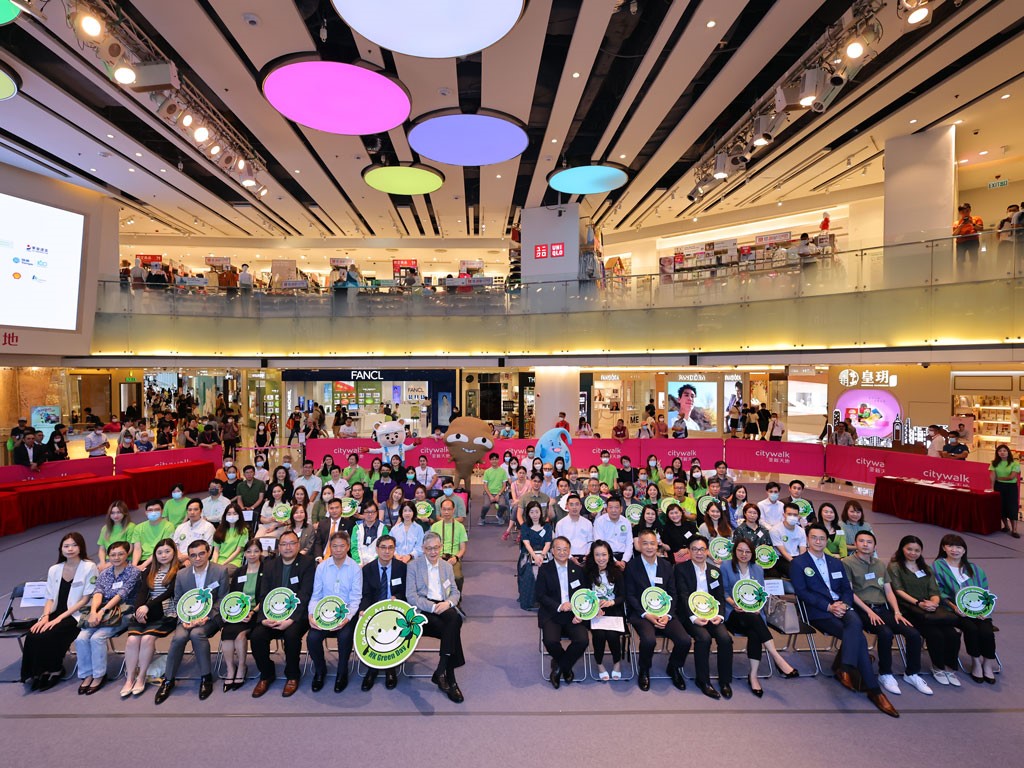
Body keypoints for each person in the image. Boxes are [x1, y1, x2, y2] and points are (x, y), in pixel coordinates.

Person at [790, 524, 899, 717]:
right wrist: (829, 607)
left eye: (822, 538)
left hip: (842, 606)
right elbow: (802, 592)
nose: (818, 541)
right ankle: (874, 691)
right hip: (820, 612)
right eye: (814, 538)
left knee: (855, 623)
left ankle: (846, 667)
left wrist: (844, 604)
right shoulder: (798, 563)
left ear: (826, 541)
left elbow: (846, 589)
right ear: (807, 539)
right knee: (859, 638)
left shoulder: (835, 562)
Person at [842, 530, 932, 696]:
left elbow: (888, 591)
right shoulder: (847, 563)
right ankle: (885, 674)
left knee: (913, 634)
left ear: (875, 546)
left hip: (883, 609)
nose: (865, 544)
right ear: (855, 544)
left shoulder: (880, 564)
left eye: (869, 542)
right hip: (863, 609)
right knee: (885, 633)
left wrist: (897, 612)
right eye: (861, 541)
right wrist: (869, 611)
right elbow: (849, 592)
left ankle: (912, 673)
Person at [720, 539, 799, 696]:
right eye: (740, 550)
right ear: (734, 551)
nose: (744, 554)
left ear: (752, 553)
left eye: (747, 551)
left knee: (755, 630)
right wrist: (734, 604)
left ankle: (753, 675)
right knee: (754, 621)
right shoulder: (726, 566)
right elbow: (724, 591)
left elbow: (761, 593)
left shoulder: (757, 569)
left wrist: (757, 607)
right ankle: (776, 657)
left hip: (753, 615)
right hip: (733, 613)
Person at [21, 533, 98, 691]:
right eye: (66, 546)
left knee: (51, 634)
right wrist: (45, 617)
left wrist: (58, 619)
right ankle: (38, 673)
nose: (70, 549)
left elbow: (85, 599)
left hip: (76, 614)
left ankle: (55, 669)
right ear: (61, 549)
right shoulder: (54, 569)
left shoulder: (89, 567)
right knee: (33, 634)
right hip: (55, 612)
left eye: (74, 545)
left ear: (81, 547)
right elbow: (49, 598)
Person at [154, 540, 228, 704]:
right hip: (187, 618)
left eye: (201, 554)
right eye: (193, 555)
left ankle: (206, 678)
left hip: (211, 617)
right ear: (189, 556)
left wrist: (207, 617)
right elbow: (179, 600)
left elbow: (222, 599)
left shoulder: (220, 571)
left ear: (208, 553)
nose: (198, 558)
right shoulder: (182, 574)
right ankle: (168, 680)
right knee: (178, 638)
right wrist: (184, 619)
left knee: (197, 634)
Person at [886, 535, 963, 687]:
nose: (913, 553)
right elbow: (898, 590)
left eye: (917, 550)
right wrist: (918, 603)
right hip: (909, 609)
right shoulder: (895, 567)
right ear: (902, 549)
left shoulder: (925, 568)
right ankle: (938, 667)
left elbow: (934, 590)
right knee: (935, 634)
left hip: (930, 609)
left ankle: (949, 668)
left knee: (953, 634)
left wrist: (934, 602)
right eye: (909, 549)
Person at [250, 531, 315, 698]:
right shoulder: (270, 565)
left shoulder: (307, 563)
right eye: (284, 544)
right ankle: (266, 674)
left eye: (292, 543)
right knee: (257, 636)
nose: (288, 547)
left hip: (297, 616)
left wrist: (291, 619)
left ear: (298, 545)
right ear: (279, 547)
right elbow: (264, 594)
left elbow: (305, 594)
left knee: (291, 636)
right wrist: (264, 619)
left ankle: (292, 675)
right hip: (272, 614)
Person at [625, 529, 692, 691]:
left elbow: (673, 593)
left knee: (684, 640)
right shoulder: (632, 566)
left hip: (665, 612)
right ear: (639, 545)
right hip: (641, 613)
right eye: (645, 543)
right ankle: (644, 670)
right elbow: (630, 595)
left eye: (652, 543)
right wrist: (646, 614)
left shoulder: (667, 566)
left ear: (657, 545)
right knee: (649, 640)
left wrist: (668, 614)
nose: (649, 547)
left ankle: (673, 667)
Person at [407, 531, 466, 703]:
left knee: (452, 621)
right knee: (454, 624)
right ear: (423, 549)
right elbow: (411, 597)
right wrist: (433, 607)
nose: (433, 552)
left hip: (444, 606)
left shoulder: (446, 566)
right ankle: (449, 679)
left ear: (441, 547)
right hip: (424, 609)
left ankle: (442, 672)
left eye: (436, 548)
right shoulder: (413, 566)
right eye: (429, 548)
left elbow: (455, 592)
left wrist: (448, 603)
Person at [74, 541, 140, 695]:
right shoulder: (105, 573)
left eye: (120, 554)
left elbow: (121, 594)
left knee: (97, 637)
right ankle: (87, 675)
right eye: (113, 555)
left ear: (127, 555)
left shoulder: (133, 572)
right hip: (102, 613)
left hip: (124, 612)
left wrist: (102, 611)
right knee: (81, 638)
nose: (116, 557)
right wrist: (93, 611)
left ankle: (99, 676)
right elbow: (98, 592)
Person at [933, 534, 999, 684]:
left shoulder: (974, 568)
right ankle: (976, 662)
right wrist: (954, 607)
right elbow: (938, 591)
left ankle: (987, 664)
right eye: (950, 546)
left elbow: (984, 591)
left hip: (978, 611)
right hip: (954, 610)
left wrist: (984, 610)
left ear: (964, 550)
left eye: (959, 547)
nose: (954, 550)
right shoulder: (938, 566)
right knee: (971, 629)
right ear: (944, 548)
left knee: (987, 631)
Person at [674, 535, 733, 699]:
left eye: (702, 549)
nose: (699, 553)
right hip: (690, 615)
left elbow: (720, 596)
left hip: (712, 614)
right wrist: (694, 618)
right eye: (694, 549)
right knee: (704, 638)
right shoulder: (681, 569)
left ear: (707, 551)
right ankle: (703, 681)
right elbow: (683, 596)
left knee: (725, 639)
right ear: (689, 551)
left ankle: (725, 681)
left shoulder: (715, 571)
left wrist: (719, 615)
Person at [121, 539, 180, 698]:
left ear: (174, 552)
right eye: (159, 552)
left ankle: (141, 677)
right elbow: (142, 592)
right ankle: (130, 678)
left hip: (167, 612)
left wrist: (147, 606)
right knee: (132, 640)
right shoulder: (149, 570)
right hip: (147, 611)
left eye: (167, 551)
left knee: (147, 639)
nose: (163, 555)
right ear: (155, 555)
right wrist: (137, 610)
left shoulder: (179, 570)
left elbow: (169, 593)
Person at [307, 530, 362, 694]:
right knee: (312, 638)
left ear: (348, 547)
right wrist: (311, 615)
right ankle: (320, 670)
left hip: (346, 613)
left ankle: (342, 672)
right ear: (330, 547)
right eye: (335, 546)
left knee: (345, 637)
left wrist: (347, 618)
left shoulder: (355, 569)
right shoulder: (322, 567)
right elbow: (316, 595)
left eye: (342, 546)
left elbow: (355, 599)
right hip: (324, 613)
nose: (338, 549)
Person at [535, 536, 589, 689]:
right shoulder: (545, 570)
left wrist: (580, 613)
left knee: (582, 640)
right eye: (558, 549)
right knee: (550, 641)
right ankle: (566, 666)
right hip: (552, 613)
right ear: (552, 551)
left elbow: (585, 594)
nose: (562, 552)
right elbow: (540, 595)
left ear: (569, 551)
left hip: (573, 615)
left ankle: (559, 667)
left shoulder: (578, 570)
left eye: (565, 549)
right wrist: (559, 606)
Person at [359, 535, 408, 691]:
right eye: (383, 547)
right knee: (370, 626)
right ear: (377, 549)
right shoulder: (368, 569)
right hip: (374, 610)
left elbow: (406, 592)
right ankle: (372, 668)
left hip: (395, 609)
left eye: (391, 548)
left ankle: (390, 668)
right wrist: (363, 610)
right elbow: (366, 594)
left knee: (392, 628)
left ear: (394, 550)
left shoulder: (402, 568)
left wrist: (397, 598)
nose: (387, 551)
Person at [220, 538, 263, 691]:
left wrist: (253, 611)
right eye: (249, 551)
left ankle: (242, 667)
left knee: (240, 636)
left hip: (256, 612)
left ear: (261, 552)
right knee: (226, 634)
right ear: (244, 553)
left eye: (256, 551)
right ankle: (230, 668)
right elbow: (232, 595)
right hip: (238, 612)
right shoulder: (239, 571)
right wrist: (229, 612)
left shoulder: (266, 571)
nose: (252, 554)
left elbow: (266, 596)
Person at [583, 540, 626, 681]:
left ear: (609, 555)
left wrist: (611, 602)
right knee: (599, 635)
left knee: (613, 636)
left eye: (604, 554)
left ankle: (617, 662)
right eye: (597, 555)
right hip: (594, 611)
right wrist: (594, 608)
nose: (601, 558)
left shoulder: (617, 572)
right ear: (592, 556)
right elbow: (583, 594)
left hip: (614, 609)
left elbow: (623, 596)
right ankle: (599, 663)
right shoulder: (586, 572)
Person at [518, 501, 552, 611]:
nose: (534, 515)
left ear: (541, 512)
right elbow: (526, 544)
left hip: (544, 553)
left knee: (548, 573)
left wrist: (541, 555)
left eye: (537, 512)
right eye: (531, 512)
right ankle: (529, 602)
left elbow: (548, 543)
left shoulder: (547, 526)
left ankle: (546, 602)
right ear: (528, 514)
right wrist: (535, 557)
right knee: (529, 573)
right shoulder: (525, 526)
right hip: (529, 553)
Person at [430, 498, 467, 593]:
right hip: (437, 558)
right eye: (444, 509)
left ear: (453, 510)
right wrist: (437, 557)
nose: (446, 512)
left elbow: (462, 549)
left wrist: (455, 558)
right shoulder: (435, 526)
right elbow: (431, 547)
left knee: (458, 577)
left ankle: (457, 598)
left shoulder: (460, 527)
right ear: (440, 510)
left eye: (449, 509)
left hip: (453, 558)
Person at [132, 499, 175, 569]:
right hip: (143, 559)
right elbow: (137, 549)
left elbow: (163, 548)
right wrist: (134, 566)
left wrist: (143, 566)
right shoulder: (138, 527)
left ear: (162, 511)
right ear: (146, 512)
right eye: (150, 510)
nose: (153, 512)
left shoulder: (169, 526)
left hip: (160, 559)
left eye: (157, 510)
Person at [173, 498, 217, 564]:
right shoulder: (180, 527)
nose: (192, 512)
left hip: (198, 560)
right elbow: (174, 546)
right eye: (189, 510)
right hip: (178, 560)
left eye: (195, 509)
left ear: (201, 511)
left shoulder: (208, 527)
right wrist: (180, 557)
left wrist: (187, 557)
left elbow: (208, 551)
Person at [990, 444, 1021, 537]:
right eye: (1000, 451)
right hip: (998, 486)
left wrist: (999, 478)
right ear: (997, 453)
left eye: (1004, 451)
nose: (1002, 453)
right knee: (1001, 507)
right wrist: (992, 488)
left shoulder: (1015, 463)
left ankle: (1014, 530)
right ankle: (1006, 526)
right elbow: (992, 476)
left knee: (1012, 508)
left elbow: (1012, 477)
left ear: (1008, 452)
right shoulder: (994, 463)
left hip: (1011, 487)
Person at [768, 504, 806, 578]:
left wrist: (802, 563)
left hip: (797, 557)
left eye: (795, 515)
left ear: (798, 516)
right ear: (784, 515)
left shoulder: (801, 531)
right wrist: (796, 564)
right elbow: (783, 552)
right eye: (789, 514)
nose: (792, 517)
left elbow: (803, 550)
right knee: (796, 572)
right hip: (781, 558)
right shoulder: (775, 530)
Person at [554, 493, 594, 564]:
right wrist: (570, 557)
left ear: (581, 506)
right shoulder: (560, 524)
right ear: (567, 506)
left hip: (585, 557)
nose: (574, 507)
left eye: (577, 504)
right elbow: (559, 544)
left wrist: (587, 556)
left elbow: (590, 542)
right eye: (571, 505)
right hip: (566, 557)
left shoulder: (588, 523)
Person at [97, 501, 135, 571]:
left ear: (124, 513)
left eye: (119, 512)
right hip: (108, 559)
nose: (115, 516)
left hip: (124, 559)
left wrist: (112, 562)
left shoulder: (130, 526)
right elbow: (102, 549)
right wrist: (102, 563)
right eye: (112, 513)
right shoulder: (105, 528)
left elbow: (130, 549)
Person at [593, 496, 632, 564]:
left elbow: (629, 544)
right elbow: (600, 544)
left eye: (616, 507)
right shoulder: (599, 521)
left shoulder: (626, 522)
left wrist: (624, 561)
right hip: (606, 557)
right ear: (606, 509)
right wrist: (615, 562)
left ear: (621, 509)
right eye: (610, 507)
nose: (613, 510)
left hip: (624, 557)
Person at [213, 504, 250, 569]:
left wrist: (222, 565)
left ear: (239, 515)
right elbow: (216, 550)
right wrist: (215, 564)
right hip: (218, 561)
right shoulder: (220, 529)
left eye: (234, 513)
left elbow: (237, 551)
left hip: (233, 562)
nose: (232, 516)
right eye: (229, 514)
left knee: (221, 572)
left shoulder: (244, 531)